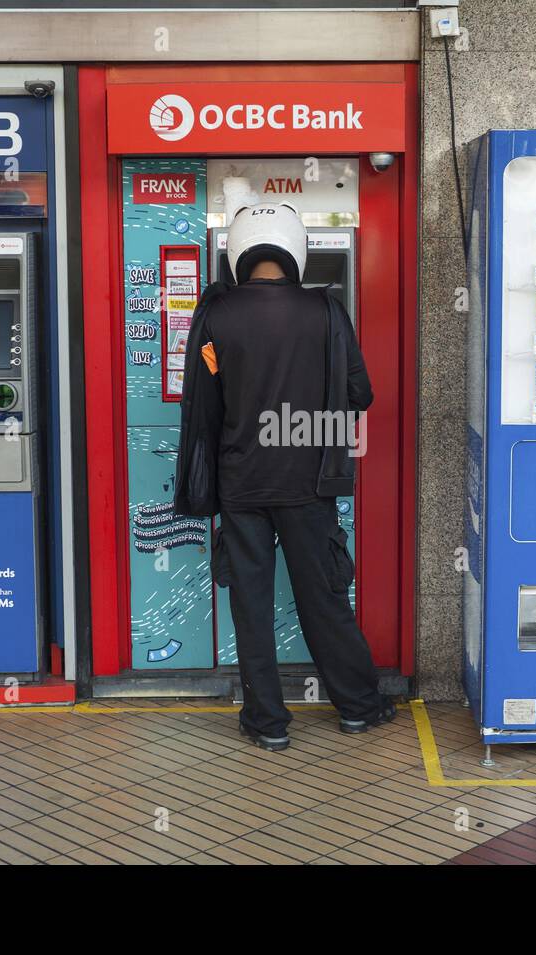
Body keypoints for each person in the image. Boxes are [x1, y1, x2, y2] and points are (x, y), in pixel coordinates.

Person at [174, 202, 394, 752]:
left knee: (251, 606)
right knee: (322, 598)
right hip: (307, 482)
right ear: (295, 247)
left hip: (241, 483)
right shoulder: (326, 310)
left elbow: (201, 405)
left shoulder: (215, 314)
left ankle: (267, 723)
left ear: (238, 251)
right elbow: (360, 393)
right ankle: (359, 708)